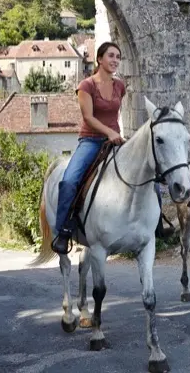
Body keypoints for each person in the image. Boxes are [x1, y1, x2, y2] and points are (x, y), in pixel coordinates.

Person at [51, 41, 127, 255]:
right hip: (91, 141)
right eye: (111, 56)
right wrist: (110, 132)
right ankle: (63, 231)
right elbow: (88, 117)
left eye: (118, 57)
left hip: (115, 142)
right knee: (69, 181)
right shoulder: (86, 86)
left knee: (148, 171)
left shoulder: (120, 86)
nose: (115, 60)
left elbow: (115, 113)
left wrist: (116, 135)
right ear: (100, 59)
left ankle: (155, 225)